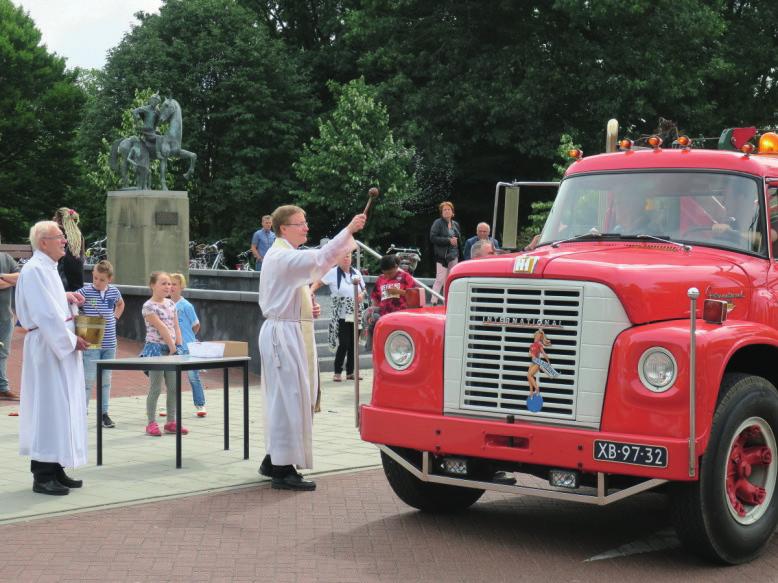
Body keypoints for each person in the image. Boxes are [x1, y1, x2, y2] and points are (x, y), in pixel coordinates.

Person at [257, 205, 366, 491]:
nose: (306, 227)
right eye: (300, 223)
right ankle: (282, 469)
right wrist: (349, 230)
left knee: (286, 397)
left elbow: (298, 283)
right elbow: (319, 259)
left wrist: (307, 305)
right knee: (288, 399)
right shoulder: (282, 255)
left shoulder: (283, 255)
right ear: (284, 228)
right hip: (283, 333)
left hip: (286, 328)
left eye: (306, 222)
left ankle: (274, 459)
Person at [15, 220, 89, 495]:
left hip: (56, 346)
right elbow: (44, 314)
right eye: (59, 237)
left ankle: (56, 467)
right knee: (48, 408)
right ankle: (42, 474)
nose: (64, 242)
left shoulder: (48, 268)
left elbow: (52, 305)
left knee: (62, 407)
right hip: (49, 347)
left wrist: (67, 296)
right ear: (43, 241)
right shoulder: (35, 270)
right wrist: (70, 340)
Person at [77, 260, 124, 428]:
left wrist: (115, 317)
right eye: (95, 277)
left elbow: (120, 304)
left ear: (109, 279)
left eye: (101, 279)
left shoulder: (114, 292)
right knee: (88, 378)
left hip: (110, 342)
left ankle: (104, 413)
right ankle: (81, 412)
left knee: (106, 380)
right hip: (92, 339)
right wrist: (80, 322)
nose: (97, 282)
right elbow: (72, 302)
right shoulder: (86, 290)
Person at [141, 271, 187, 437]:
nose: (168, 286)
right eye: (163, 283)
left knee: (174, 387)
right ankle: (151, 423)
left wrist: (179, 346)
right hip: (156, 350)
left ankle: (171, 421)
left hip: (172, 349)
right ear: (153, 285)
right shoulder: (149, 306)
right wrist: (173, 348)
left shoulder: (171, 305)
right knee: (156, 388)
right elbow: (161, 327)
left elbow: (176, 326)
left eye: (169, 283)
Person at [311, 253, 366, 382]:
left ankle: (351, 372)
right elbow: (318, 283)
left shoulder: (356, 272)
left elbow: (363, 289)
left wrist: (362, 295)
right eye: (343, 256)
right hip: (341, 315)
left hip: (355, 312)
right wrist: (310, 291)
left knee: (354, 344)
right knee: (344, 343)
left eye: (348, 256)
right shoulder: (332, 272)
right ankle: (337, 371)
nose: (346, 258)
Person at [170, 273, 207, 417]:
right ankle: (171, 407)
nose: (171, 287)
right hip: (173, 348)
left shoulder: (186, 305)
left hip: (188, 348)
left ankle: (200, 405)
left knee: (193, 376)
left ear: (181, 287)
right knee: (171, 378)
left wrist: (188, 337)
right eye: (170, 284)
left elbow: (196, 324)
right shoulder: (166, 305)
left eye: (175, 284)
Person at [429, 201, 463, 304]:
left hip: (454, 255)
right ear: (441, 212)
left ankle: (447, 302)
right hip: (442, 256)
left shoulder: (455, 224)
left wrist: (458, 243)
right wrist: (448, 240)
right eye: (445, 209)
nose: (447, 211)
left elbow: (459, 239)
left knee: (451, 280)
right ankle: (433, 302)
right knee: (440, 279)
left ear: (453, 212)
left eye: (449, 209)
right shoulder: (437, 223)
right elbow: (433, 238)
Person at [0, 246, 20, 401]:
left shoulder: (6, 258)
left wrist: (2, 278)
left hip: (6, 316)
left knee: (3, 353)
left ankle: (2, 388)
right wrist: (9, 281)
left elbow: (21, 277)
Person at [53, 207, 85, 292]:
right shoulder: (78, 235)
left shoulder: (59, 232)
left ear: (59, 220)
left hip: (63, 281)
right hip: (77, 281)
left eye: (55, 218)